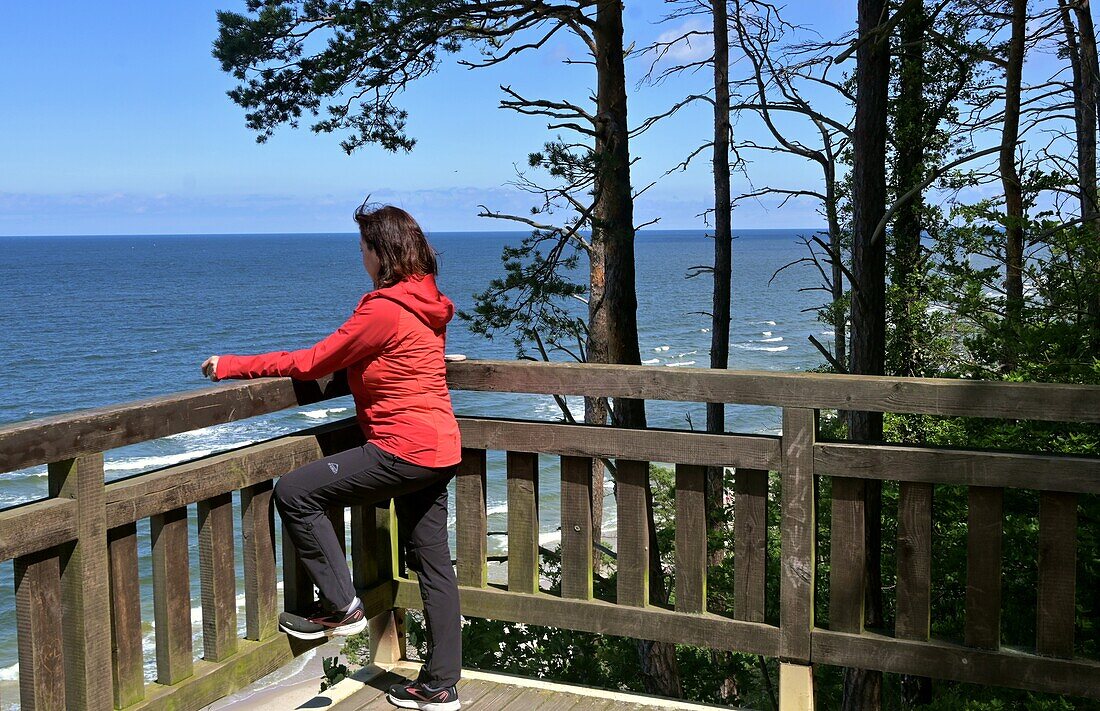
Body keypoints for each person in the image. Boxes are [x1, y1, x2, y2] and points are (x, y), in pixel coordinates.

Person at [201, 201, 463, 710]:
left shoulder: (383, 307)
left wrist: (231, 364)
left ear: (379, 252)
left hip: (402, 449)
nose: (359, 257)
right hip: (440, 448)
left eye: (362, 247)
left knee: (294, 491)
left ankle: (342, 606)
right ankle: (441, 687)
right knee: (433, 564)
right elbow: (394, 359)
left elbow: (315, 361)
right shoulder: (428, 302)